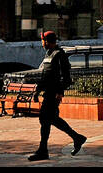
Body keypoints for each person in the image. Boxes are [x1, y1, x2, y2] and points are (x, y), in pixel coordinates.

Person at [28, 30, 85, 161]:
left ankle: (44, 150)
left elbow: (66, 77)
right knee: (49, 120)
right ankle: (76, 138)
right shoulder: (48, 54)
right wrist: (38, 90)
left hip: (54, 94)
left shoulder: (60, 54)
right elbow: (45, 75)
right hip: (47, 93)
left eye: (42, 41)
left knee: (46, 119)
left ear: (47, 41)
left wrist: (60, 92)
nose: (42, 43)